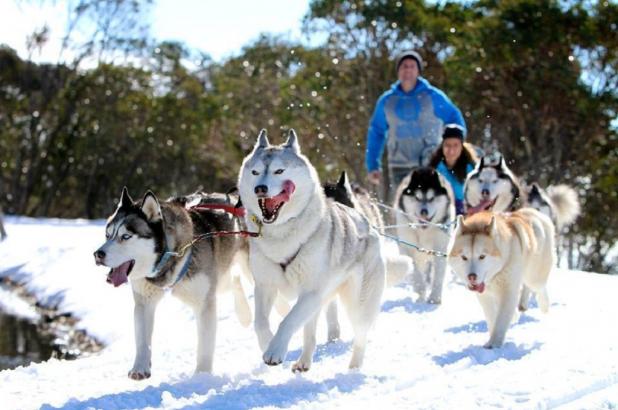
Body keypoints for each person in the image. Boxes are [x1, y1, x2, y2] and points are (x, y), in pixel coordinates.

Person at [365, 50, 467, 199]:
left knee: (431, 207)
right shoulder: (387, 101)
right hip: (399, 164)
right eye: (404, 66)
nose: (408, 69)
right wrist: (373, 165)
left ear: (418, 70)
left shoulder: (433, 96)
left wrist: (455, 148)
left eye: (412, 66)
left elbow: (455, 118)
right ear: (398, 71)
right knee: (403, 210)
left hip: (430, 163)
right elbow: (376, 132)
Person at [428, 124, 478, 215]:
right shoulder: (434, 167)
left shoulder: (471, 169)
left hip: (466, 214)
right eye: (447, 145)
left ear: (462, 146)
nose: (451, 150)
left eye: (455, 145)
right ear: (442, 146)